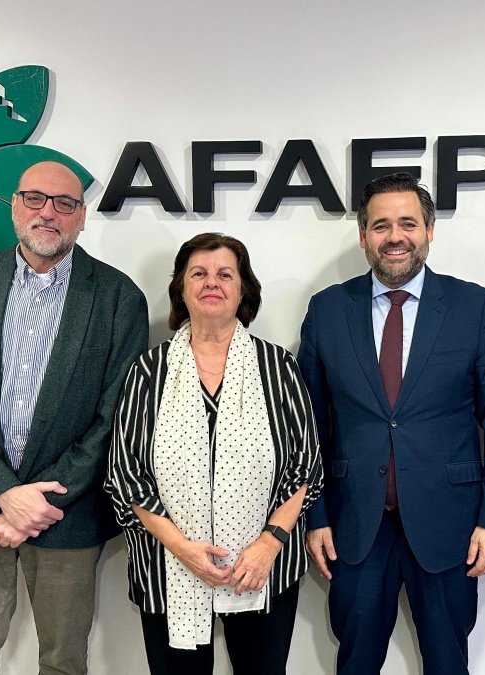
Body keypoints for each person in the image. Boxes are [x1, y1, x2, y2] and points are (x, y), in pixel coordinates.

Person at [0, 161, 150, 675]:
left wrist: (38, 503)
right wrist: (3, 493)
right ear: (14, 207)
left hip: (66, 513)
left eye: (65, 203)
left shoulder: (119, 297)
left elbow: (115, 418)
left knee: (64, 661)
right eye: (35, 199)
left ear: (82, 217)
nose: (48, 212)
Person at [299, 171, 485, 675]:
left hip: (450, 524)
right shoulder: (328, 309)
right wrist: (315, 517)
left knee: (448, 662)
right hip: (355, 524)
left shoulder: (473, 306)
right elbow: (308, 426)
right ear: (363, 236)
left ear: (429, 231)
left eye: (408, 223)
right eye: (381, 225)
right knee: (355, 662)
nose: (395, 236)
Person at [106, 232, 323, 674]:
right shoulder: (149, 371)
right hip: (167, 567)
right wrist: (183, 549)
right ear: (181, 290)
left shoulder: (278, 367)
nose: (211, 283)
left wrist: (268, 544)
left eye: (225, 274)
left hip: (264, 569)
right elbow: (126, 475)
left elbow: (305, 467)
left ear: (243, 290)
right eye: (198, 274)